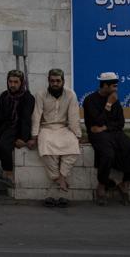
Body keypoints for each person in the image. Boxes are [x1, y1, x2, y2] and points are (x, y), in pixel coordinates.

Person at [83, 72, 130, 205]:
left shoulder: (114, 99)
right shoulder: (90, 100)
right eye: (114, 86)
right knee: (108, 154)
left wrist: (105, 127)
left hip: (113, 132)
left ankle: (124, 185)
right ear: (105, 85)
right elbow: (96, 121)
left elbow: (120, 123)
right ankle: (102, 186)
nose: (116, 89)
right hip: (97, 135)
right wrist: (108, 104)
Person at [27, 68, 81, 207]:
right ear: (48, 81)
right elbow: (36, 116)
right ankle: (57, 178)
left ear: (63, 81)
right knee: (45, 148)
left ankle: (61, 176)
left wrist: (77, 135)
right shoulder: (41, 95)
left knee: (73, 148)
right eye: (52, 81)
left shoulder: (70, 94)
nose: (55, 84)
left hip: (63, 128)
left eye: (58, 81)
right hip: (46, 128)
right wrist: (34, 136)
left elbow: (74, 117)